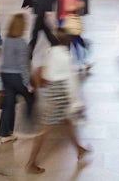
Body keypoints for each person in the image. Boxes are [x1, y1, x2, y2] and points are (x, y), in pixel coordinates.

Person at [25, 31, 90, 174]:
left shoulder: (51, 52)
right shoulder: (65, 57)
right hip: (59, 95)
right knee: (45, 129)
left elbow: (45, 72)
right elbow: (71, 81)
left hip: (51, 91)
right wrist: (77, 102)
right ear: (68, 42)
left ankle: (79, 148)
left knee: (67, 121)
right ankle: (30, 163)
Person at [0, 13, 34, 143]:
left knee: (9, 104)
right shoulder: (22, 43)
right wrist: (28, 85)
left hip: (4, 75)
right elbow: (23, 66)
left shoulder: (6, 40)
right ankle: (30, 124)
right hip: (16, 76)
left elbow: (2, 58)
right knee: (30, 97)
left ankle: (5, 133)